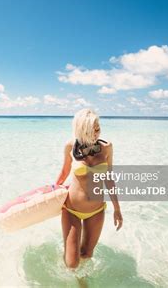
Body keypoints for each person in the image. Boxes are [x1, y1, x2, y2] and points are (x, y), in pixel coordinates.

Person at [55, 108, 123, 269]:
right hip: (72, 209)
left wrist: (117, 208)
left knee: (87, 254)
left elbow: (109, 178)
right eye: (91, 130)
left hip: (96, 210)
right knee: (72, 263)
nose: (96, 134)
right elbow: (64, 172)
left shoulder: (106, 147)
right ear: (81, 130)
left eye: (98, 129)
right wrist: (51, 192)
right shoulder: (70, 146)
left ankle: (82, 283)